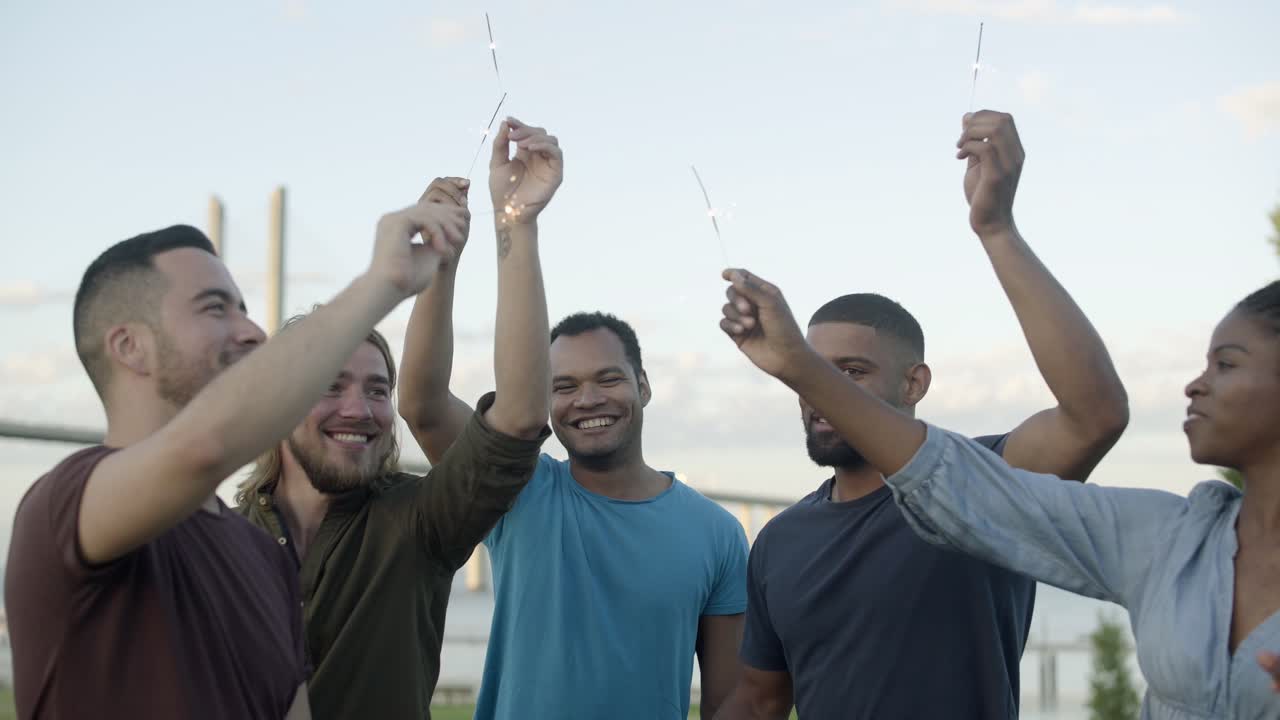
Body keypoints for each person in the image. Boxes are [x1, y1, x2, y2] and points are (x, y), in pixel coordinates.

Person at [712, 110, 1130, 719]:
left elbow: (1096, 415)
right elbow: (759, 701)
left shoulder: (982, 484)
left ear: (916, 382)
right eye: (811, 371)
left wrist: (997, 229)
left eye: (848, 373)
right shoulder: (779, 542)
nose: (821, 391)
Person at [5, 196, 466, 719]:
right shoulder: (64, 508)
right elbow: (202, 449)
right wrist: (382, 282)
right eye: (215, 308)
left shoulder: (261, 555)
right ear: (130, 345)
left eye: (245, 308)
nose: (251, 331)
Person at [399, 132, 748, 720]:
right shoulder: (519, 492)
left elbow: (728, 703)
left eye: (608, 379)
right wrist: (443, 265)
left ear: (644, 386)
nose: (587, 399)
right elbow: (423, 405)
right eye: (562, 386)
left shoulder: (717, 534)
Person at [236, 120, 560, 720]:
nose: (358, 409)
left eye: (378, 389)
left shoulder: (416, 523)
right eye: (329, 385)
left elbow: (517, 415)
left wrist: (515, 221)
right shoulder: (217, 541)